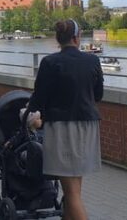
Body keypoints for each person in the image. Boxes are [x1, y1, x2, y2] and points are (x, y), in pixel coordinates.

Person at [27, 19, 104, 220]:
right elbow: (98, 95)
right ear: (77, 38)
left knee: (71, 194)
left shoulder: (50, 62)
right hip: (88, 127)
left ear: (58, 39)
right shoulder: (93, 61)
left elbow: (39, 98)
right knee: (74, 190)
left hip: (62, 128)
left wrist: (29, 115)